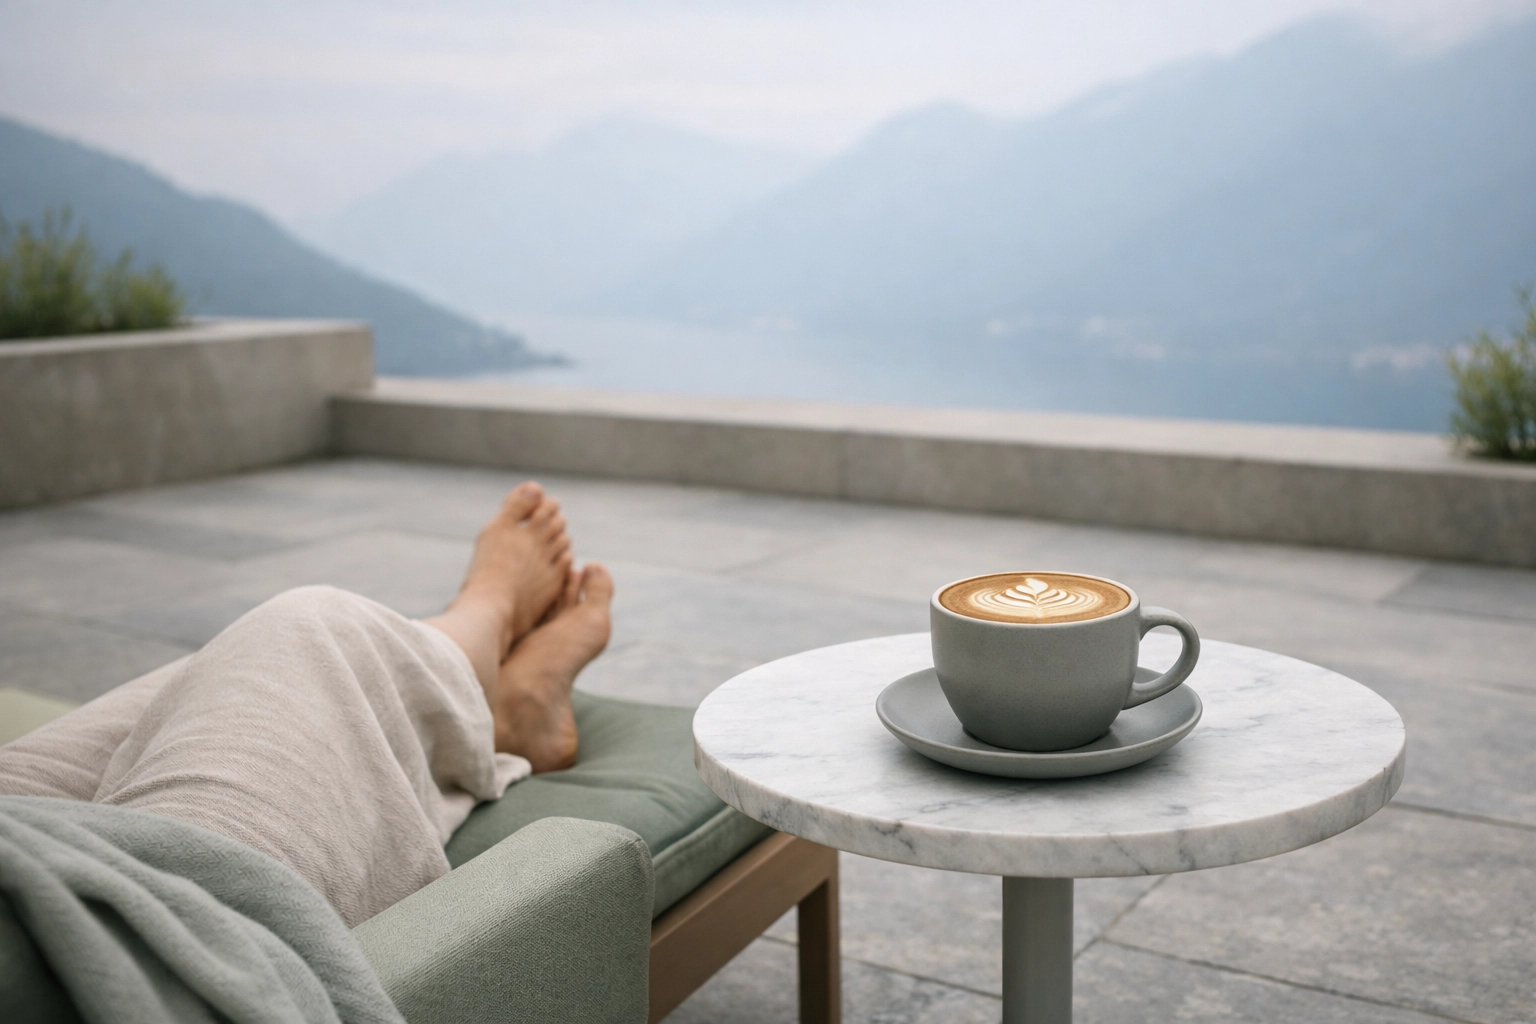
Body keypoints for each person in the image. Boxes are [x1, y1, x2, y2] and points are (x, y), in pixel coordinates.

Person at [0, 482, 613, 925]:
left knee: (213, 677)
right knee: (313, 625)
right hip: (149, 924)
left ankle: (481, 706)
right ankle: (482, 629)